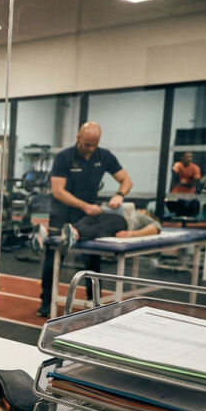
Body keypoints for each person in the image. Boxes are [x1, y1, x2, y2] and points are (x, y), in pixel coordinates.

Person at [37, 121, 133, 318]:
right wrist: (84, 205)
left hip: (87, 214)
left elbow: (126, 180)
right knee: (54, 258)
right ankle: (47, 301)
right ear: (78, 138)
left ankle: (94, 302)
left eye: (94, 144)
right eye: (87, 144)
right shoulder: (64, 157)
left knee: (93, 258)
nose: (90, 148)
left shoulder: (104, 156)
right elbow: (58, 191)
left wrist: (119, 195)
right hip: (63, 212)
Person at [30, 203, 160, 255]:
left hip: (121, 222)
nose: (144, 210)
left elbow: (156, 228)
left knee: (94, 229)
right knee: (78, 226)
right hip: (103, 214)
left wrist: (131, 233)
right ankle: (46, 233)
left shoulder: (144, 217)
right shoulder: (131, 209)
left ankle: (49, 232)